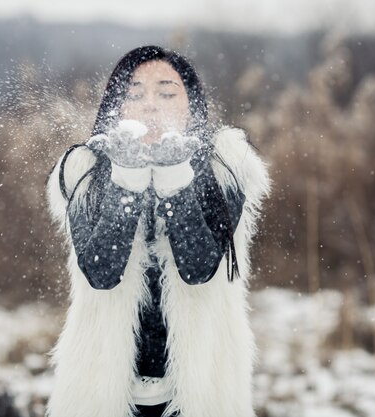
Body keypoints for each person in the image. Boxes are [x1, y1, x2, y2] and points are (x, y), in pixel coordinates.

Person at [45, 45, 271, 417]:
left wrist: (174, 178)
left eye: (167, 93)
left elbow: (198, 268)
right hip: (101, 391)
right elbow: (102, 272)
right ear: (116, 108)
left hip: (203, 389)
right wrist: (127, 178)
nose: (151, 104)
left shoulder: (224, 167)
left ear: (191, 105)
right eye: (134, 94)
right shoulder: (84, 169)